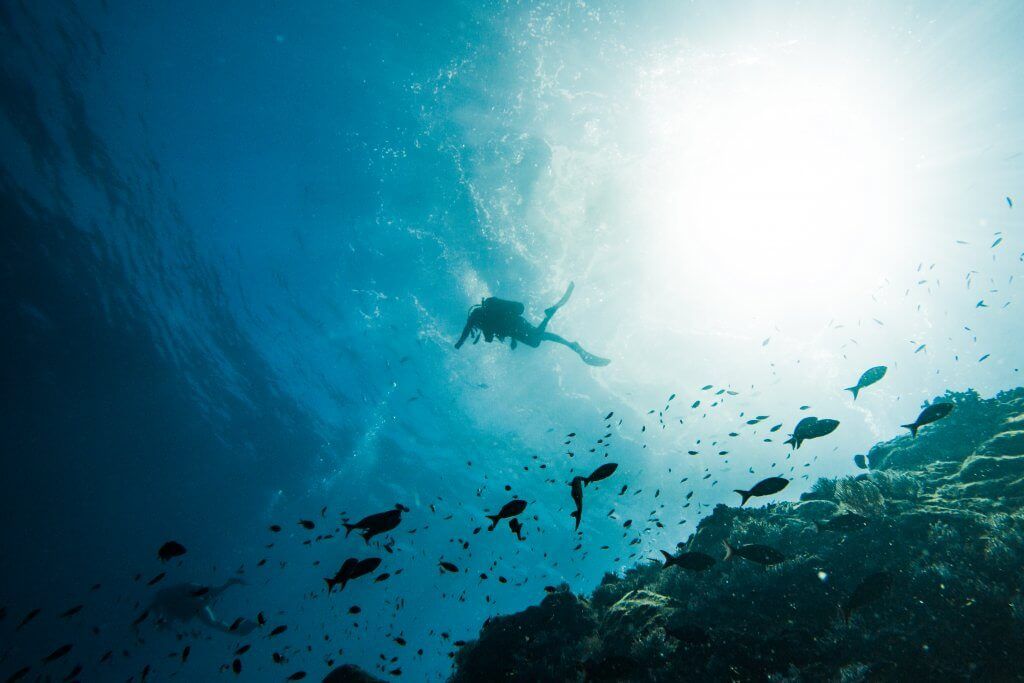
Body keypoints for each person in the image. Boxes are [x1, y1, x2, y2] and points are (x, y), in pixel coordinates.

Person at [455, 282, 610, 366]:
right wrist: (513, 339)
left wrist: (458, 345)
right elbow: (496, 330)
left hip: (514, 324)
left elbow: (466, 331)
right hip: (513, 325)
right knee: (536, 340)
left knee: (536, 338)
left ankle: (551, 316)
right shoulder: (481, 317)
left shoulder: (476, 316)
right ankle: (571, 344)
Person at [145, 577, 256, 635]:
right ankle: (239, 630)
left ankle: (230, 583)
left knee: (212, 595)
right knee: (212, 622)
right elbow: (167, 618)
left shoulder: (167, 601)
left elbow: (166, 616)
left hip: (193, 599)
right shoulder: (167, 608)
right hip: (195, 606)